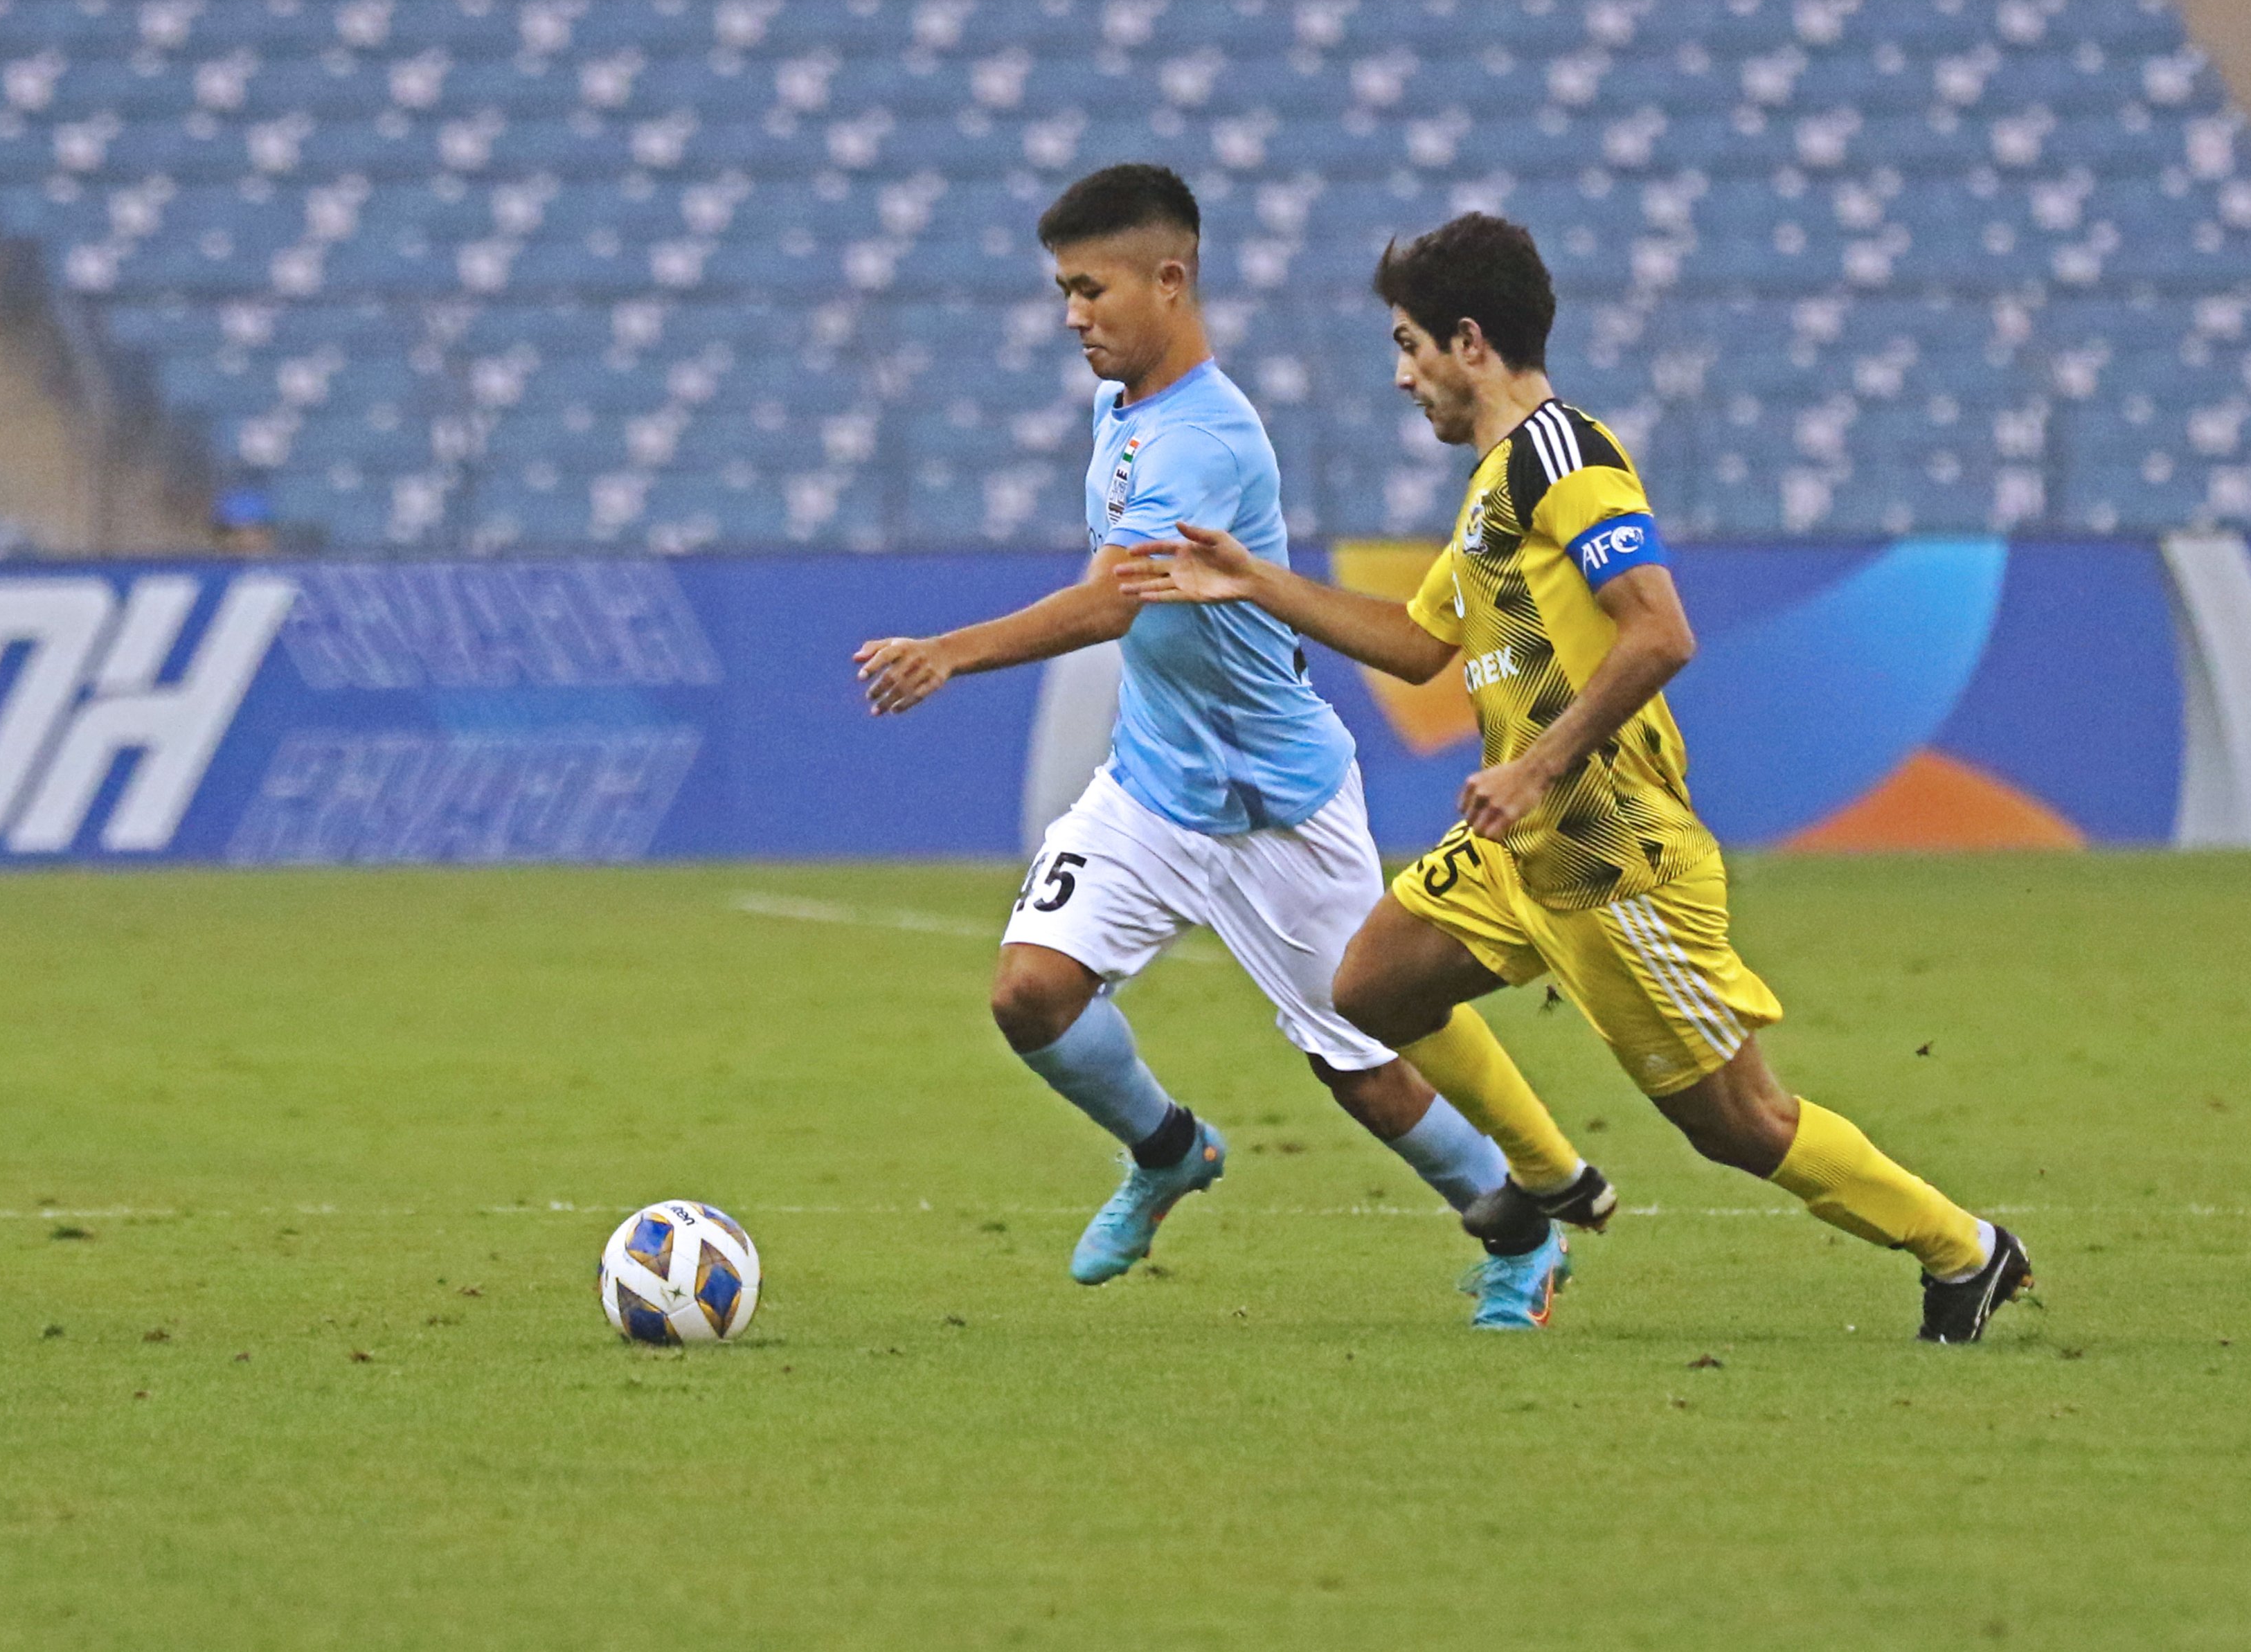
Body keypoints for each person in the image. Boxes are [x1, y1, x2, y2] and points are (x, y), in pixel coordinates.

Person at [1118, 212, 2034, 1343]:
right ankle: (1546, 1180)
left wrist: (1535, 765)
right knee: (1371, 987)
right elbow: (1419, 645)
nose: (1401, 377)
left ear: (1469, 342)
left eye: (1409, 346)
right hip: (1525, 849)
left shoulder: (1567, 459)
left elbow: (1660, 631)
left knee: (1739, 1124)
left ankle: (1964, 1249)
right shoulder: (1496, 483)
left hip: (1612, 852)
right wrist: (1256, 580)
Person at [854, 166, 1613, 1329]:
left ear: (1170, 281)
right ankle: (1168, 1152)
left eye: (1092, 290)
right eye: (1064, 292)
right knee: (1030, 993)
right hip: (1156, 785)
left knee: (1362, 1069)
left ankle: (1520, 1238)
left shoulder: (1207, 437)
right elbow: (1121, 586)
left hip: (1276, 804)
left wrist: (949, 652)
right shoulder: (1121, 411)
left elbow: (1115, 601)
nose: (1073, 316)